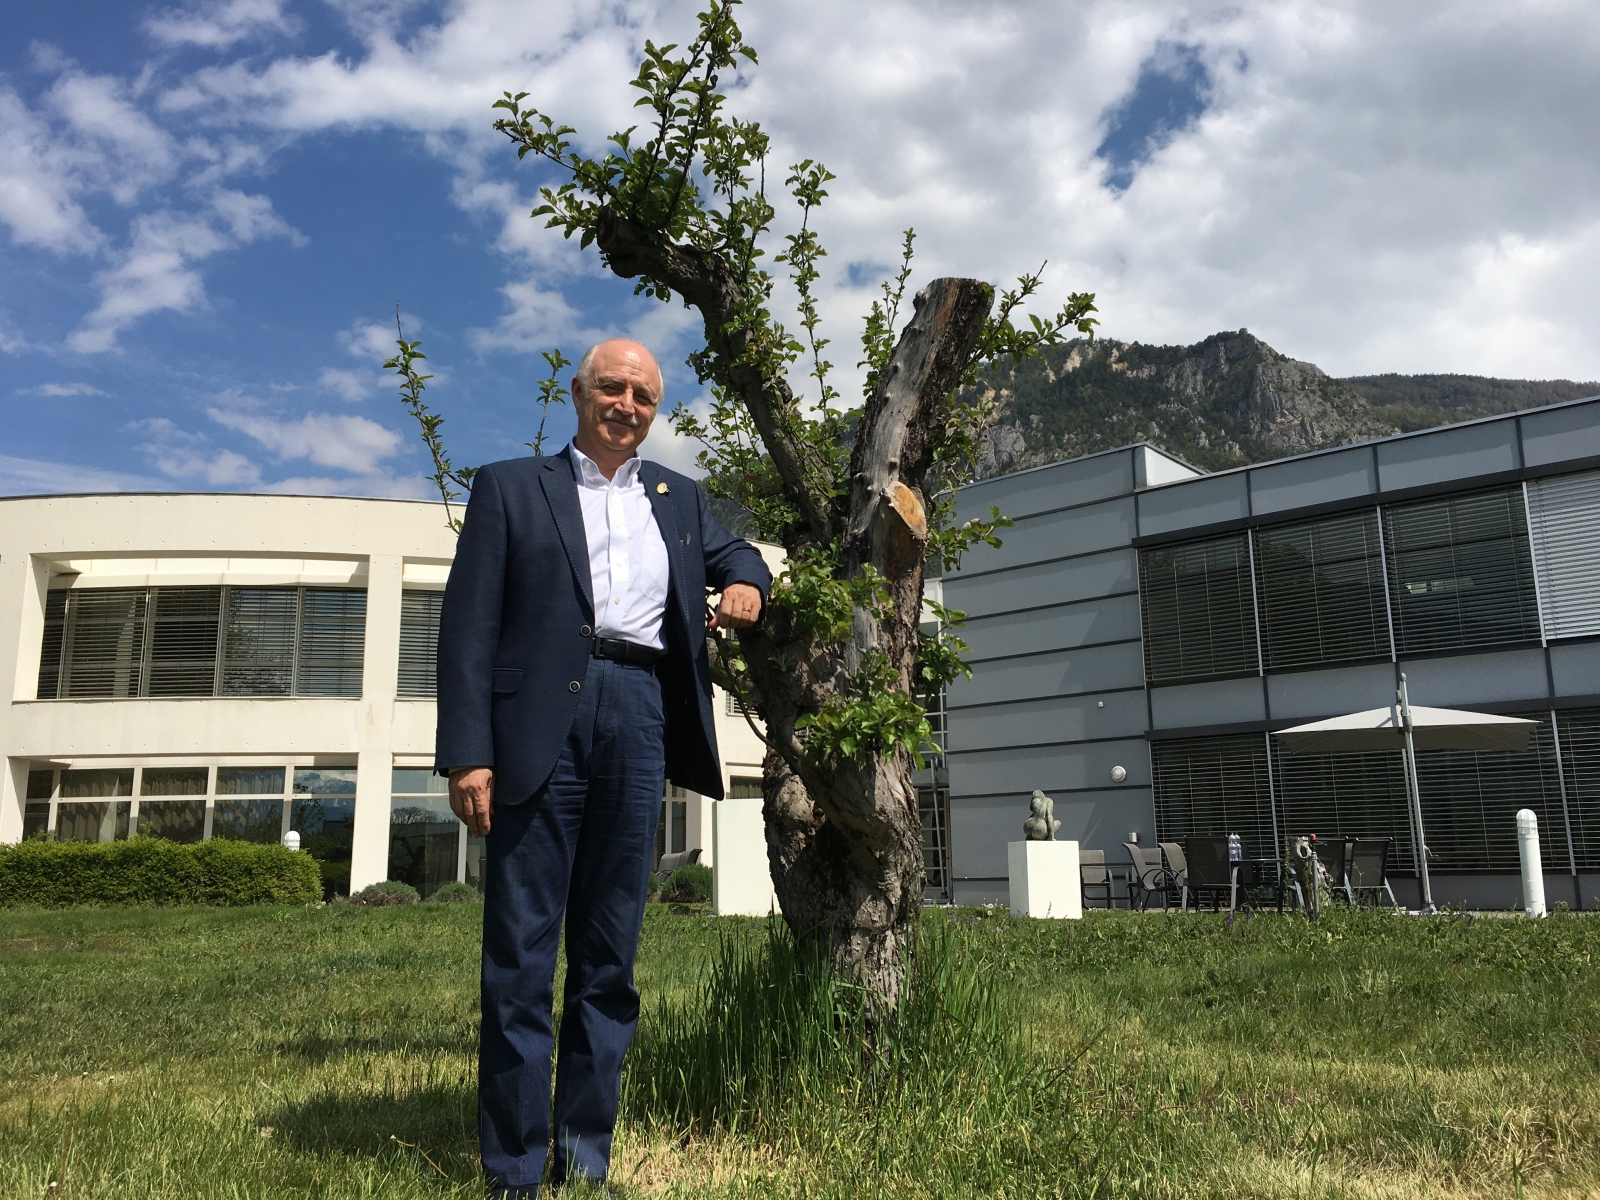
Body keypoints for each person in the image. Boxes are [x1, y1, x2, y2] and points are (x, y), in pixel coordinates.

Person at [434, 338, 771, 1198]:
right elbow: (468, 627)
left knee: (609, 959)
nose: (626, 404)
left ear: (655, 412)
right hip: (539, 721)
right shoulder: (510, 486)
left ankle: (585, 1160)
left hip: (640, 710)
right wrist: (469, 751)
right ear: (581, 393)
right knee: (519, 956)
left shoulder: (681, 497)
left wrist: (747, 587)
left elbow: (742, 557)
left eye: (644, 396)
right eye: (612, 387)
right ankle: (513, 1170)